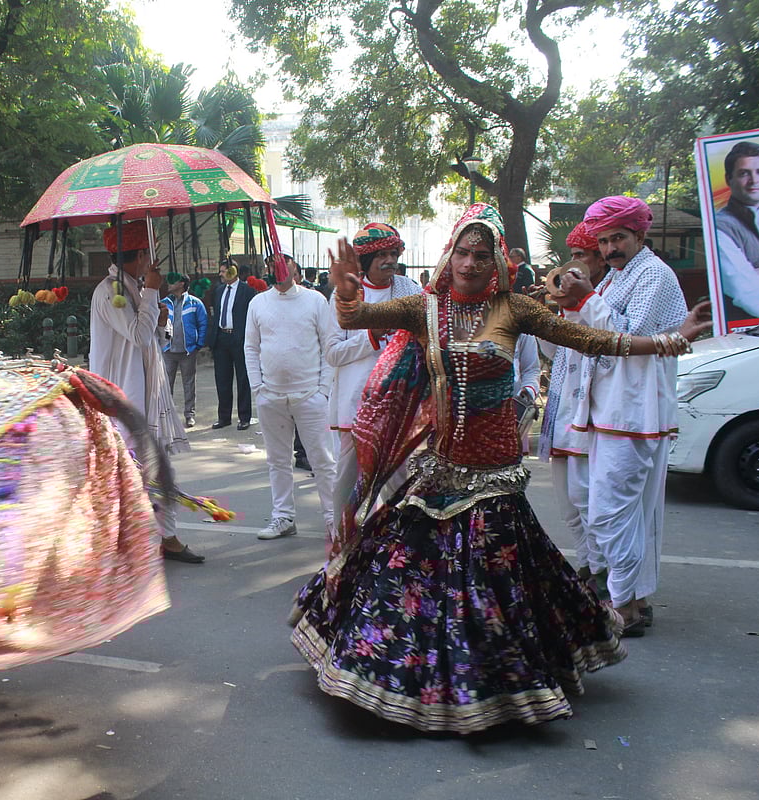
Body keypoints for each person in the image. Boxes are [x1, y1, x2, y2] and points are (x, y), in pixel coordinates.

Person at [290, 202, 709, 733]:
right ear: (449, 256)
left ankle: (499, 685)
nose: (470, 263)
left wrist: (675, 339)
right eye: (463, 252)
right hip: (438, 466)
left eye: (481, 255)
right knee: (406, 574)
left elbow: (598, 341)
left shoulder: (516, 310)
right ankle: (402, 678)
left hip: (495, 471)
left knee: (497, 584)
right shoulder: (425, 307)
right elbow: (355, 320)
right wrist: (347, 292)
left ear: (497, 263)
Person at [558, 196, 689, 636]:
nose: (610, 248)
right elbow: (590, 333)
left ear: (639, 235)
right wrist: (573, 304)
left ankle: (623, 606)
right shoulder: (619, 276)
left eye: (618, 238)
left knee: (609, 513)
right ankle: (633, 600)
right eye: (604, 241)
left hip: (634, 413)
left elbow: (626, 338)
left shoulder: (653, 274)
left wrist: (586, 297)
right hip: (610, 409)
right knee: (624, 514)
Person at [89, 221, 202, 564]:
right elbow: (138, 336)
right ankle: (139, 541)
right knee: (136, 471)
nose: (153, 264)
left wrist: (159, 316)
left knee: (151, 469)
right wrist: (152, 293)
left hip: (143, 391)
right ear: (140, 255)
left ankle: (160, 538)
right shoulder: (111, 292)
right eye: (149, 256)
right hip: (124, 397)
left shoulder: (132, 288)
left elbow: (151, 341)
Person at [326, 223, 421, 534]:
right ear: (365, 260)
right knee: (348, 480)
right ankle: (343, 540)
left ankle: (400, 542)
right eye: (381, 255)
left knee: (401, 479)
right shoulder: (344, 294)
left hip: (399, 403)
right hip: (356, 404)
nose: (390, 260)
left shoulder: (410, 290)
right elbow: (332, 353)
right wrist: (371, 335)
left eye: (393, 253)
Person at [538, 222, 611, 599]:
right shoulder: (573, 300)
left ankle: (601, 571)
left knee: (585, 500)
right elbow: (553, 353)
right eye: (573, 256)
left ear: (599, 259)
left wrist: (582, 302)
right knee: (568, 505)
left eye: (582, 256)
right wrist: (549, 314)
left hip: (588, 412)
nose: (575, 264)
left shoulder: (604, 297)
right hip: (563, 410)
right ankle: (586, 565)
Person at [245, 254, 337, 543]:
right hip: (270, 397)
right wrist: (258, 388)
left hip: (310, 395)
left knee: (322, 460)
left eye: (285, 262)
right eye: (272, 264)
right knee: (278, 460)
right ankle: (283, 516)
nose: (279, 268)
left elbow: (329, 345)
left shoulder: (315, 301)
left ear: (295, 267)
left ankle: (334, 519)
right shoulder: (258, 303)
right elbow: (251, 347)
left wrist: (323, 390)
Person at [713, 140, 759, 321]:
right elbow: (748, 294)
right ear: (728, 179)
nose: (754, 181)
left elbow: (751, 283)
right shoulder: (718, 227)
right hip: (746, 331)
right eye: (744, 173)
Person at [207, 259, 255, 430]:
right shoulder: (219, 290)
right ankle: (224, 417)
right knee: (222, 379)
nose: (220, 274)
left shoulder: (247, 291)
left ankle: (244, 417)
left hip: (239, 339)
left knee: (243, 379)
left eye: (223, 271)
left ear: (232, 271)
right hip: (221, 338)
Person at [160, 271, 208, 428]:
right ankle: (168, 416)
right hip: (168, 350)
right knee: (166, 385)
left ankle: (189, 415)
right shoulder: (164, 303)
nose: (169, 283)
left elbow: (203, 323)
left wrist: (198, 344)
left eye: (173, 281)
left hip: (188, 351)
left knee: (189, 384)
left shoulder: (195, 303)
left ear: (181, 283)